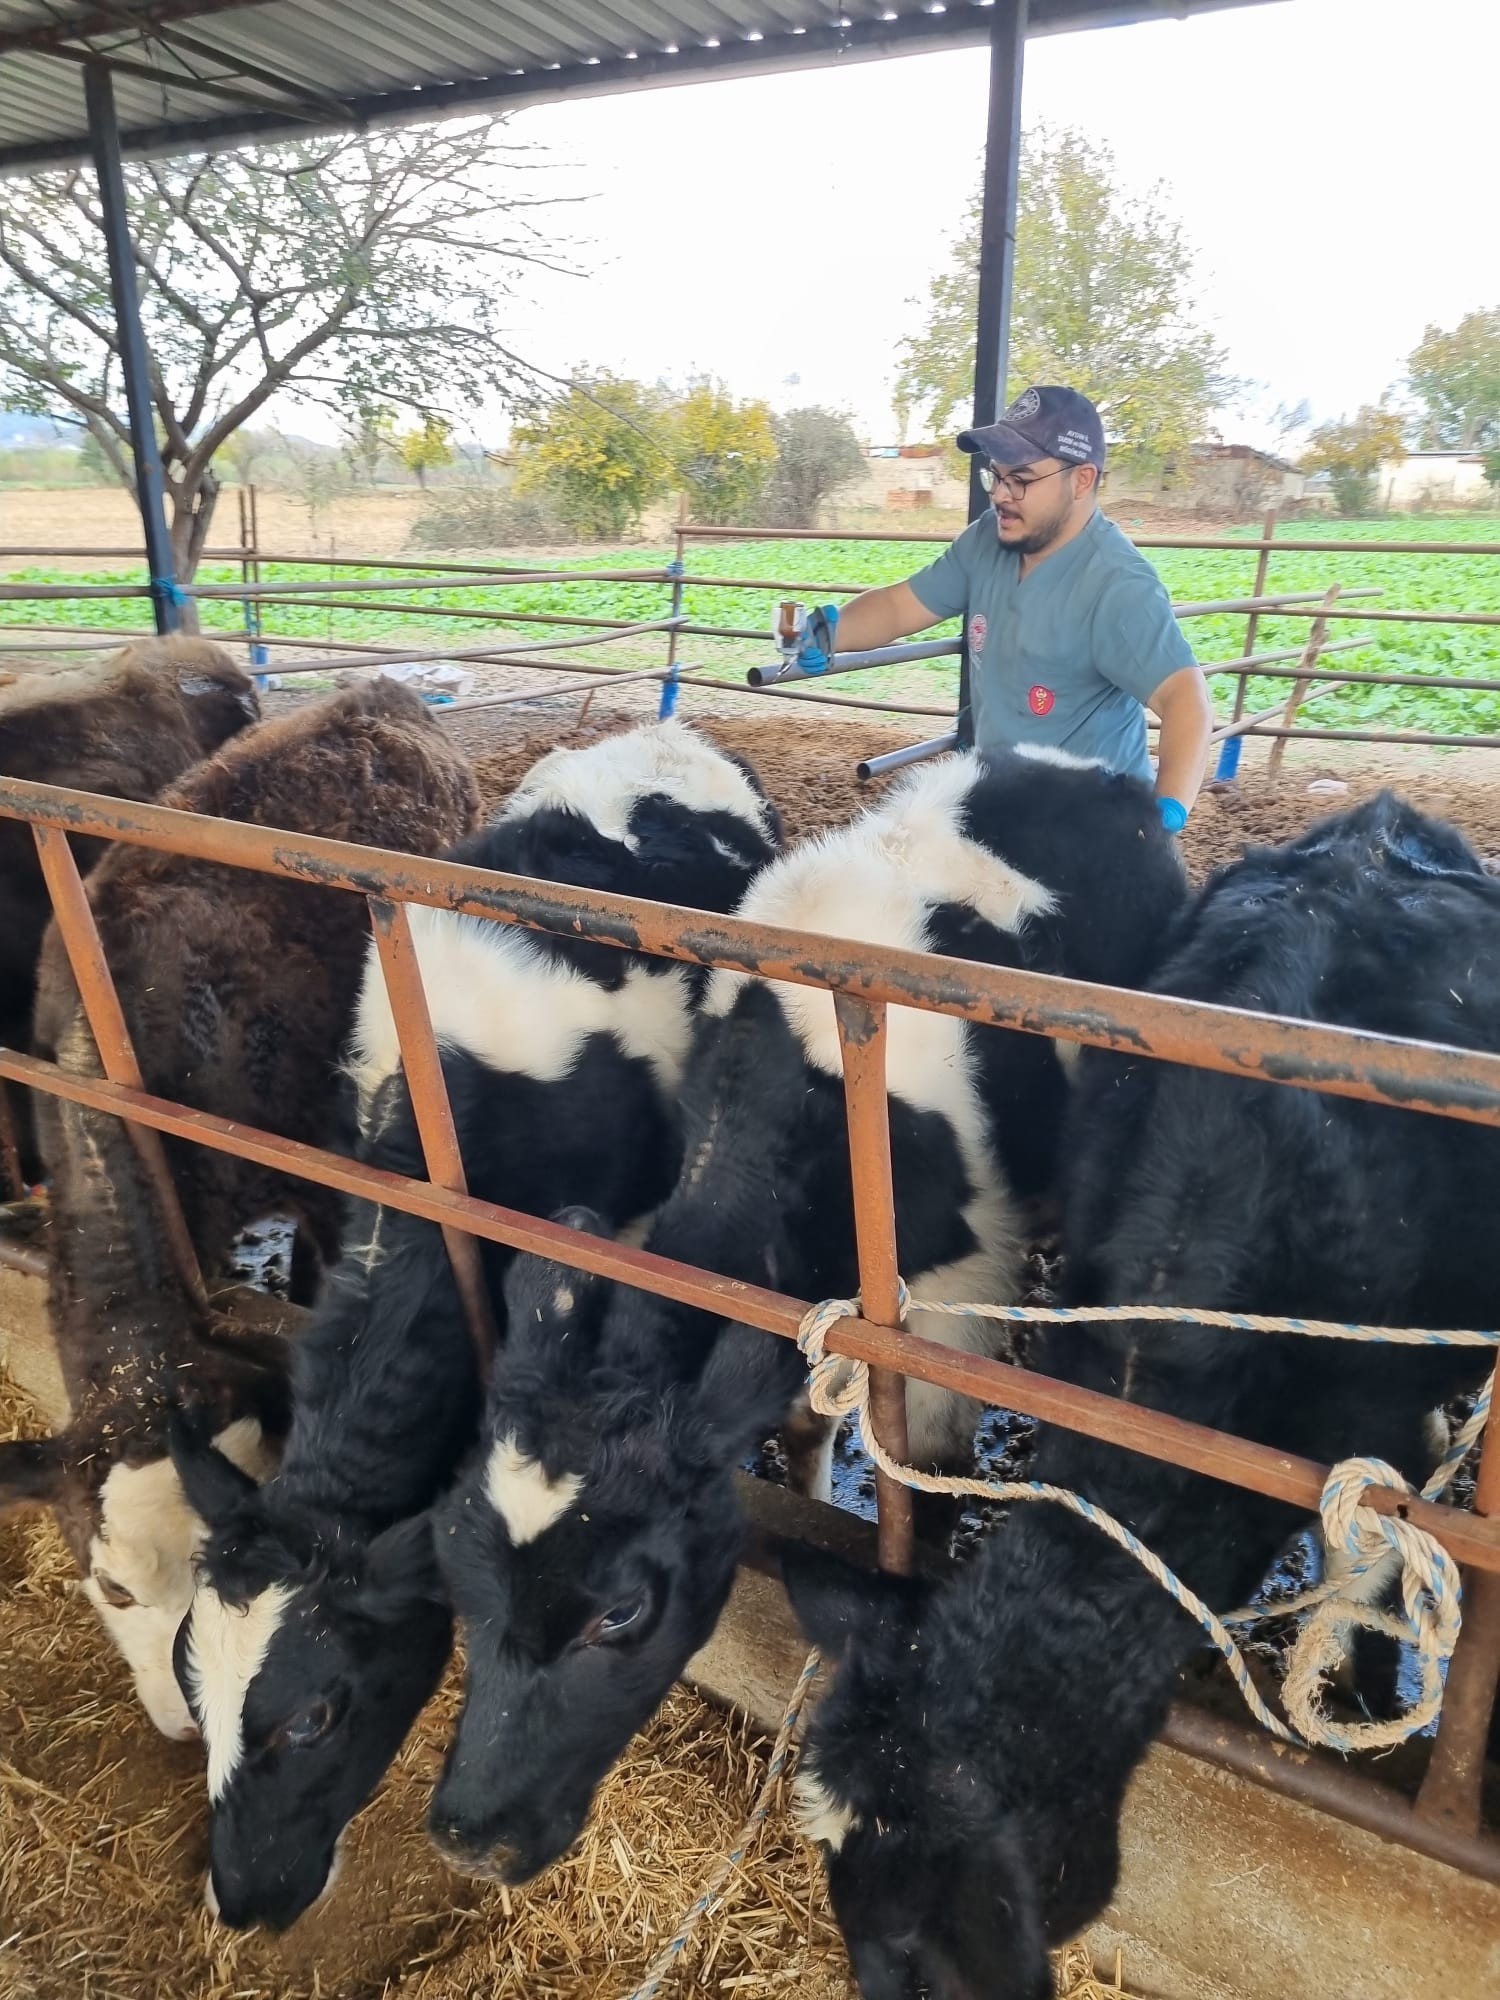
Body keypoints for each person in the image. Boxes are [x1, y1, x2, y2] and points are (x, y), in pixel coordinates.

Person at [802, 386, 1212, 832]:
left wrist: (1165, 812)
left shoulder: (1117, 586)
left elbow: (1185, 699)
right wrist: (833, 630)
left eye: (1020, 479)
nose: (999, 494)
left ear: (1081, 480)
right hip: (1004, 811)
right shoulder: (987, 542)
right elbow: (901, 606)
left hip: (1092, 833)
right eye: (995, 475)